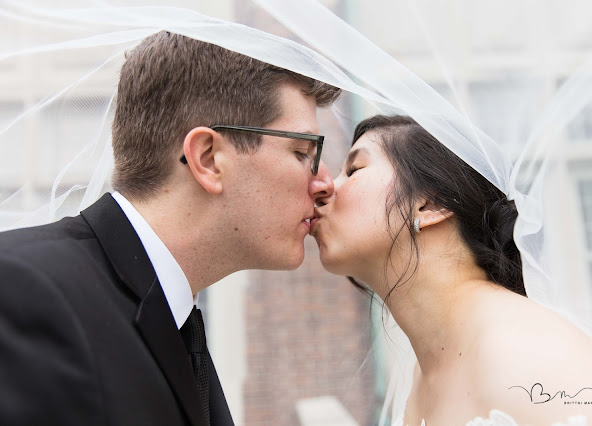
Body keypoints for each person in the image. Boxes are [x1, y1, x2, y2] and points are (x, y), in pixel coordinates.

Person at [0, 31, 339, 426]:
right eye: (302, 153)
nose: (324, 183)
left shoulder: (180, 321)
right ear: (209, 158)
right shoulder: (25, 290)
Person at [310, 115, 592, 425]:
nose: (323, 187)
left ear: (431, 205)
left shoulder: (519, 347)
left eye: (353, 170)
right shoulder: (423, 374)